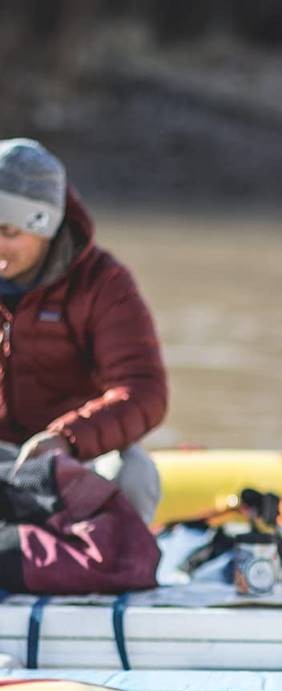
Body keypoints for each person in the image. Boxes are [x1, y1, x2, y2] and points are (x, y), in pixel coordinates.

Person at [0, 138, 167, 523]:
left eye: (10, 232)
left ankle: (119, 570)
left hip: (75, 458)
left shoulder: (104, 283)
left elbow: (144, 390)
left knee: (134, 472)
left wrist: (66, 439)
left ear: (46, 226)